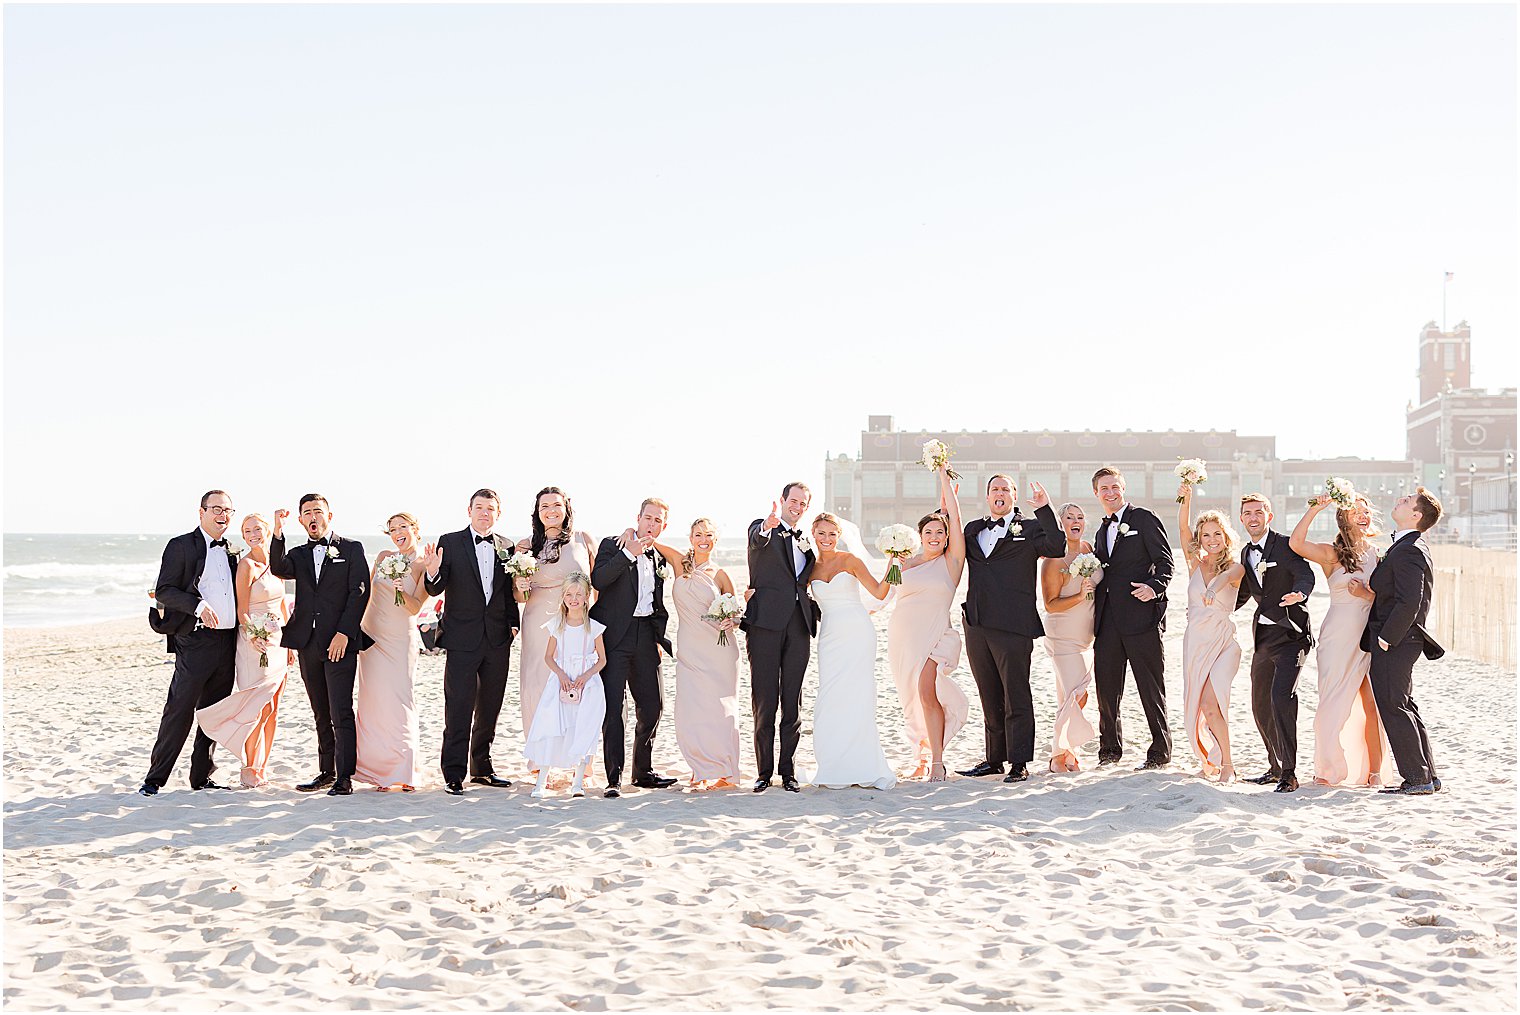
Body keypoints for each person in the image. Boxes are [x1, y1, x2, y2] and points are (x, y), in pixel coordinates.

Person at [957, 473, 1065, 783]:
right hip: (977, 622)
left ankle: (1019, 762)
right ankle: (994, 760)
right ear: (988, 496)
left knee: (1016, 694)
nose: (1000, 493)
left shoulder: (1030, 529)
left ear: (1013, 496)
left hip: (1014, 624)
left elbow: (1057, 546)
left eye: (1006, 489)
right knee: (989, 694)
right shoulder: (973, 529)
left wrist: (1046, 509)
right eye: (994, 489)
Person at [421, 488, 522, 795]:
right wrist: (432, 572)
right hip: (462, 639)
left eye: (490, 509)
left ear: (498, 513)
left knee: (490, 707)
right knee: (459, 708)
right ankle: (453, 773)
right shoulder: (449, 542)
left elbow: (507, 592)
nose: (484, 513)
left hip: (497, 639)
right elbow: (436, 588)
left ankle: (481, 768)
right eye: (479, 507)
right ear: (469, 510)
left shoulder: (508, 546)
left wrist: (513, 626)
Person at [139, 490, 240, 796]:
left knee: (213, 712)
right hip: (195, 640)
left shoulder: (233, 550)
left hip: (229, 641)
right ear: (202, 512)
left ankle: (201, 776)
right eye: (216, 509)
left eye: (228, 510)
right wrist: (198, 606)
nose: (222, 515)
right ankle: (154, 779)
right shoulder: (181, 545)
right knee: (180, 709)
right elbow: (165, 590)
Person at [269, 495, 370, 796]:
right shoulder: (298, 554)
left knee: (341, 710)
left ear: (329, 515)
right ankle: (326, 771)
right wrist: (277, 531)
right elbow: (278, 566)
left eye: (317, 511)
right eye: (307, 513)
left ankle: (345, 777)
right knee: (320, 711)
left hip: (339, 641)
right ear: (301, 520)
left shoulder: (352, 549)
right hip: (307, 642)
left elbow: (359, 592)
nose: (312, 517)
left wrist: (344, 633)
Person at [1290, 493, 1391, 787]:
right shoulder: (1332, 554)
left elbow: (1384, 598)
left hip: (1367, 638)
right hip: (1337, 637)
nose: (1363, 515)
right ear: (1343, 518)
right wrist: (1314, 509)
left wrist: (1366, 595)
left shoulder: (1378, 555)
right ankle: (1328, 769)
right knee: (1330, 706)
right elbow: (1296, 544)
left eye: (1366, 510)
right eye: (1355, 511)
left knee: (1371, 706)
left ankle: (1373, 772)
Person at [194, 512, 292, 788]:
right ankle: (248, 768)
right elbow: (242, 610)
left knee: (272, 708)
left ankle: (262, 765)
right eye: (247, 531)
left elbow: (283, 604)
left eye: (257, 529)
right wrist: (254, 637)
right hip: (253, 643)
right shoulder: (246, 566)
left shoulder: (276, 564)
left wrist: (290, 643)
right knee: (256, 708)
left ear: (266, 531)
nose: (253, 535)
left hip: (277, 643)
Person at [886, 465, 969, 782]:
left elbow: (956, 523)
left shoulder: (951, 563)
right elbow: (886, 593)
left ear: (947, 538)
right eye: (928, 532)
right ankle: (921, 755)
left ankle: (937, 761)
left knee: (927, 690)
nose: (934, 537)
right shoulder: (903, 561)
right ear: (919, 536)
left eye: (940, 533)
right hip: (902, 638)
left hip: (934, 637)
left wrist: (944, 481)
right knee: (912, 698)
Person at [1362, 488, 1445, 795]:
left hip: (1397, 640)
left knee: (1394, 706)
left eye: (1408, 500)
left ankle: (1417, 779)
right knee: (1404, 705)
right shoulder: (1406, 545)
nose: (1401, 499)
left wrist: (1386, 638)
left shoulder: (1410, 549)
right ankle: (1427, 776)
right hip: (1400, 639)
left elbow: (1411, 600)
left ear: (1416, 515)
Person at [592, 498, 677, 798]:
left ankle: (643, 772)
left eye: (658, 521)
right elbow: (599, 580)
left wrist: (657, 638)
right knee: (614, 710)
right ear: (638, 518)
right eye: (648, 518)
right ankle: (613, 778)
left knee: (653, 706)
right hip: (614, 638)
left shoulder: (661, 559)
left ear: (664, 526)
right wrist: (628, 552)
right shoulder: (612, 545)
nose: (651, 524)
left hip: (645, 637)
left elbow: (658, 605)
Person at [1090, 466, 1174, 770]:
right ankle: (1109, 751)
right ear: (1096, 493)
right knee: (1107, 690)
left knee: (1150, 688)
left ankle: (1160, 751)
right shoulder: (1101, 531)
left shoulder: (1144, 518)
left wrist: (1154, 588)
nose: (1110, 493)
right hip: (1107, 622)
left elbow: (1165, 561)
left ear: (1123, 488)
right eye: (1104, 489)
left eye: (1115, 487)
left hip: (1142, 620)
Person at [807, 512, 896, 791]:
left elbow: (880, 593)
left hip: (858, 632)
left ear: (839, 535)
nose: (827, 539)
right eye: (821, 533)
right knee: (830, 696)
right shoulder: (809, 568)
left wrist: (895, 565)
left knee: (858, 694)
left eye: (832, 534)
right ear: (813, 534)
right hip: (830, 635)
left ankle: (863, 763)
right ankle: (834, 764)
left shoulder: (851, 561)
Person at [652, 518, 743, 789]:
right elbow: (649, 540)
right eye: (699, 534)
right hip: (689, 651)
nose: (704, 539)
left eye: (709, 535)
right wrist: (628, 533)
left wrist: (734, 621)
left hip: (720, 651)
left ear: (716, 539)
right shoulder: (680, 563)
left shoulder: (721, 574)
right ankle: (700, 768)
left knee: (719, 710)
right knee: (690, 711)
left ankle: (725, 771)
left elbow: (737, 614)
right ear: (690, 538)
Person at [1234, 493, 1315, 793]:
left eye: (1259, 512)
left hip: (1292, 635)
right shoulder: (1245, 553)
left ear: (1269, 516)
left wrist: (1300, 594)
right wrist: (1213, 609)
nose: (1253, 517)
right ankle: (1275, 765)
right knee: (1260, 704)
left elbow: (1305, 575)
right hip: (1264, 639)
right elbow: (1243, 594)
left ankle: (1290, 774)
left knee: (1282, 698)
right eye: (1247, 513)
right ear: (1241, 519)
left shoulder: (1285, 545)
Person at [743, 482, 820, 793]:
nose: (797, 506)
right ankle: (764, 772)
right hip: (764, 626)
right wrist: (766, 525)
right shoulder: (764, 529)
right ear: (783, 501)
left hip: (798, 627)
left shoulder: (806, 542)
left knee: (793, 701)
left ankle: (788, 771)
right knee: (764, 700)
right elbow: (755, 540)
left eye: (803, 503)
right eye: (794, 500)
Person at [514, 488, 596, 752]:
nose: (550, 511)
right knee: (539, 684)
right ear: (537, 512)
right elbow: (518, 594)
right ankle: (541, 759)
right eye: (544, 506)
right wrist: (522, 584)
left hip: (577, 620)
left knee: (577, 682)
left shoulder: (583, 540)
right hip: (538, 621)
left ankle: (577, 757)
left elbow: (599, 586)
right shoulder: (526, 546)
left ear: (566, 507)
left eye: (556, 505)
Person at [1176, 484, 1246, 783]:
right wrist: (1187, 497)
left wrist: (1213, 587)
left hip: (1223, 643)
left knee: (1211, 702)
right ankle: (1213, 757)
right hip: (1195, 642)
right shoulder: (1194, 563)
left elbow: (1229, 578)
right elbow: (1181, 528)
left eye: (1217, 533)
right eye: (1206, 534)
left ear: (1225, 536)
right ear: (1200, 539)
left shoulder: (1236, 566)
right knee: (1201, 704)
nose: (1212, 539)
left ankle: (1228, 765)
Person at [354, 512, 427, 792]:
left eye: (403, 526)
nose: (398, 532)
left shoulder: (422, 562)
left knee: (400, 700)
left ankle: (404, 770)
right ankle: (380, 772)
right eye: (393, 528)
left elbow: (415, 606)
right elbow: (366, 593)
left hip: (399, 639)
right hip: (372, 635)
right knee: (374, 702)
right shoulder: (384, 556)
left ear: (415, 529)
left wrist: (401, 588)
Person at [524, 573, 608, 799]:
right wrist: (561, 675)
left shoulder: (595, 627)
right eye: (569, 594)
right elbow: (549, 657)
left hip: (586, 685)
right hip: (560, 684)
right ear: (563, 597)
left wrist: (586, 676)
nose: (574, 599)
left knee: (582, 730)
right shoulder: (556, 625)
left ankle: (577, 783)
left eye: (579, 594)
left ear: (586, 596)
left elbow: (602, 659)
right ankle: (541, 782)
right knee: (553, 729)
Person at [1039, 502, 1099, 774]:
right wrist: (1079, 595)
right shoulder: (1053, 560)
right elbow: (1050, 604)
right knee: (1078, 694)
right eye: (1069, 517)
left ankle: (1066, 753)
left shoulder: (1089, 550)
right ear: (1060, 524)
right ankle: (1057, 754)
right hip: (1062, 636)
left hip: (1086, 635)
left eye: (1080, 516)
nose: (1075, 521)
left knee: (1069, 696)